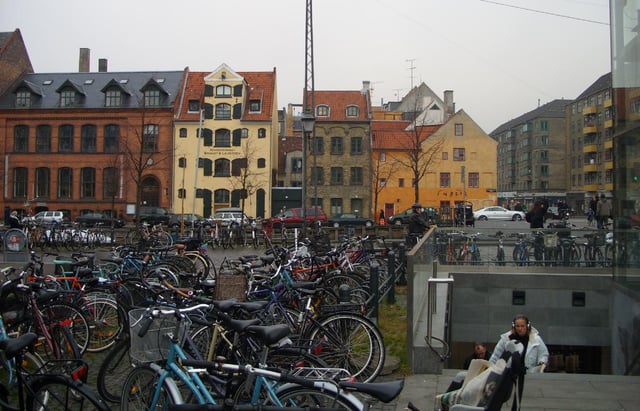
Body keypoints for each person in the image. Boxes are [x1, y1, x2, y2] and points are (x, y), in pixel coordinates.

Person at [489, 314, 549, 411]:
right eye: (517, 326)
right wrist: (490, 369)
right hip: (509, 375)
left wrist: (542, 363)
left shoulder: (536, 339)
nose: (520, 329)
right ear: (514, 326)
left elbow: (544, 354)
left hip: (529, 374)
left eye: (522, 326)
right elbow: (495, 356)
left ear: (527, 326)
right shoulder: (506, 339)